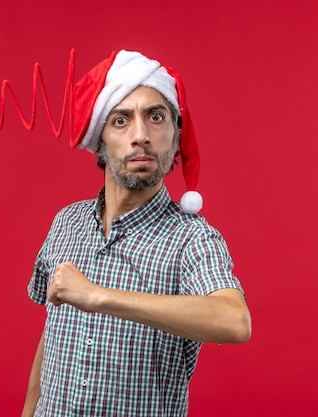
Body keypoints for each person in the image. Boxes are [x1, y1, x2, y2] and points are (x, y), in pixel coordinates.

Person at [22, 50, 251, 416]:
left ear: (175, 138)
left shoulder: (191, 240)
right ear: (99, 140)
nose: (140, 135)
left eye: (156, 117)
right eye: (121, 121)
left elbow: (235, 321)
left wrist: (98, 296)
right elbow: (52, 338)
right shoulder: (66, 223)